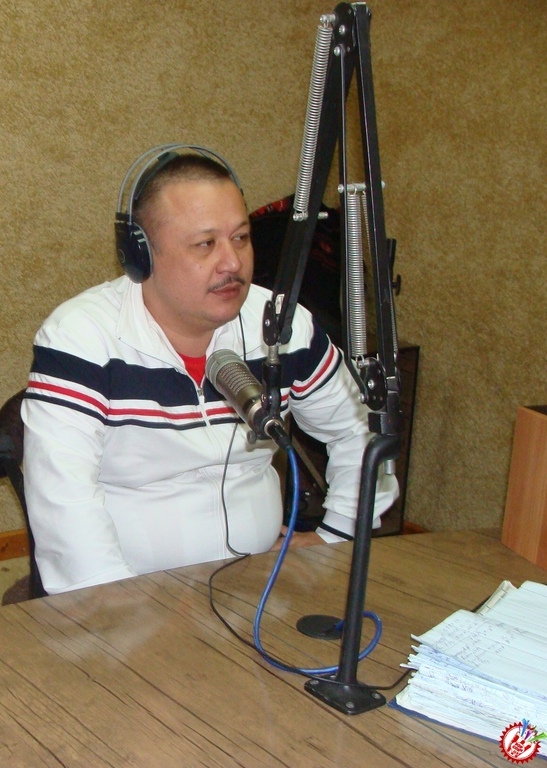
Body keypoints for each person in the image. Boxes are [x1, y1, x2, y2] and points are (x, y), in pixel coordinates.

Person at [22, 145, 397, 594]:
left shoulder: (281, 326)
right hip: (132, 594)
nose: (233, 262)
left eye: (241, 238)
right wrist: (120, 610)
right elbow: (64, 501)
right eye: (206, 244)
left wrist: (334, 538)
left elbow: (360, 434)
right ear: (140, 255)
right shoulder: (81, 338)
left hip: (260, 587)